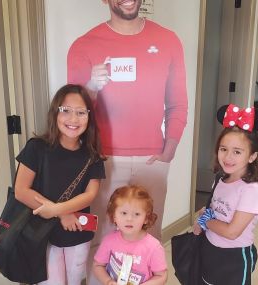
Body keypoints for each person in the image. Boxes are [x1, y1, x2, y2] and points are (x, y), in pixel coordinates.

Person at [67, 0, 188, 245]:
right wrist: (91, 88)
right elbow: (74, 116)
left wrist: (168, 152)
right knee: (102, 241)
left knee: (148, 239)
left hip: (153, 160)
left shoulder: (168, 40)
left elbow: (178, 103)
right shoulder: (84, 46)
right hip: (103, 161)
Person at [14, 84, 105, 285]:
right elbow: (21, 191)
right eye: (66, 111)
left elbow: (90, 194)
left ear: (89, 117)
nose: (73, 119)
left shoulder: (92, 155)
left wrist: (58, 209)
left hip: (77, 234)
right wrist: (62, 213)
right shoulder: (36, 148)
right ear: (55, 113)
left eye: (81, 112)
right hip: (42, 236)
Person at [194, 104, 258, 285]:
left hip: (234, 256)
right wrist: (202, 221)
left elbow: (232, 232)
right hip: (209, 248)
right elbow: (214, 208)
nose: (228, 157)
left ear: (252, 156)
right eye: (223, 149)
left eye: (237, 152)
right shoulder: (220, 179)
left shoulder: (251, 191)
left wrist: (205, 220)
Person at [93, 185, 168, 285]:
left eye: (137, 214)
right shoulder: (108, 241)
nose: (129, 219)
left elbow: (161, 276)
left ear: (146, 218)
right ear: (114, 216)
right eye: (124, 213)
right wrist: (108, 281)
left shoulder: (154, 247)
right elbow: (98, 265)